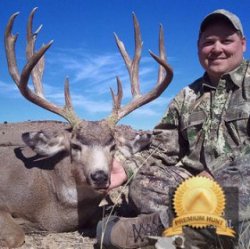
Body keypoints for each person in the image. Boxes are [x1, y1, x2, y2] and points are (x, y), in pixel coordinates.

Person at [97, 9, 250, 249]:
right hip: (197, 189)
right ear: (199, 47)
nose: (217, 48)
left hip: (238, 181)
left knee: (239, 187)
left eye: (226, 40)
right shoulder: (187, 96)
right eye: (209, 42)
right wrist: (125, 168)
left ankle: (147, 230)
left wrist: (214, 173)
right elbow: (160, 148)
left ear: (243, 44)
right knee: (144, 184)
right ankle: (209, 230)